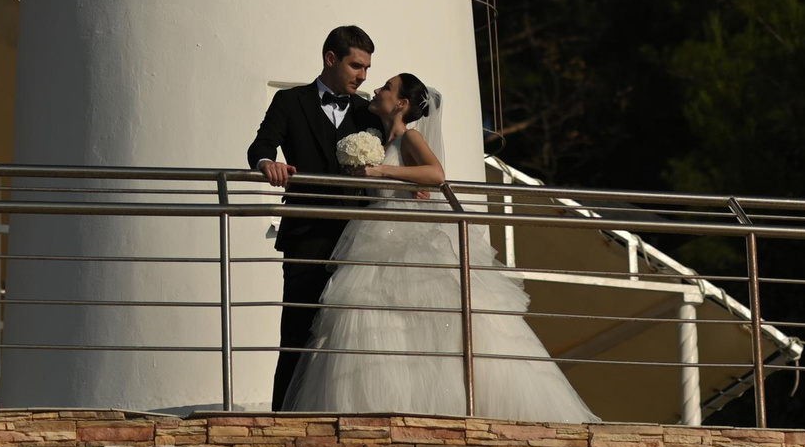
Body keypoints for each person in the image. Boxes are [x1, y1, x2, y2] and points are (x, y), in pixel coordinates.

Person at [282, 71, 599, 422]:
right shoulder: (378, 139)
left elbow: (436, 175)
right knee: (373, 323)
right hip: (371, 237)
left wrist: (381, 174)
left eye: (386, 87)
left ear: (401, 103)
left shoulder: (409, 136)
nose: (377, 88)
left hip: (400, 240)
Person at [246, 24, 381, 411]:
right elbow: (260, 144)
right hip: (306, 235)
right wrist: (266, 163)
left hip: (358, 240)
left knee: (352, 334)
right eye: (357, 66)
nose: (363, 76)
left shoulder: (366, 110)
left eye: (368, 68)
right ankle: (280, 420)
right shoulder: (291, 101)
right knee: (297, 332)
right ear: (330, 58)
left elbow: (390, 157)